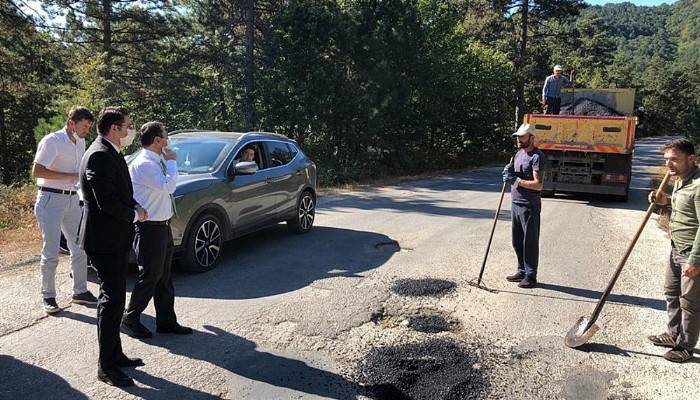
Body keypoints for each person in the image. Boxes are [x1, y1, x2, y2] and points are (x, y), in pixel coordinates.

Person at [78, 107, 147, 387]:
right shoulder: (98, 153)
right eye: (128, 126)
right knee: (111, 300)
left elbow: (121, 192)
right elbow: (104, 200)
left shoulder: (110, 151)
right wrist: (133, 214)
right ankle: (105, 366)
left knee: (116, 298)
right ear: (114, 128)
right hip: (104, 240)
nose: (131, 131)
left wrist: (135, 206)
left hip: (115, 238)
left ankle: (115, 354)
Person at [121, 121, 192, 339]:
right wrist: (172, 163)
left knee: (164, 277)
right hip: (149, 228)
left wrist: (168, 161)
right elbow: (167, 186)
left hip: (162, 226)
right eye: (165, 136)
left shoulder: (156, 159)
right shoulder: (144, 163)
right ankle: (130, 318)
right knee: (150, 276)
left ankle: (166, 321)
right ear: (157, 140)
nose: (168, 140)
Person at [32, 106, 97, 314]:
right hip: (50, 198)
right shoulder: (52, 141)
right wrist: (69, 176)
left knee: (79, 246)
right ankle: (48, 296)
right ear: (71, 123)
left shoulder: (81, 141)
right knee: (51, 251)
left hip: (73, 200)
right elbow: (37, 171)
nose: (87, 130)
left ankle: (80, 291)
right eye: (84, 126)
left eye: (89, 126)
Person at [648, 138, 700, 363]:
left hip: (691, 252)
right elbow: (684, 210)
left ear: (691, 159)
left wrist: (695, 260)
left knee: (689, 302)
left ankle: (686, 346)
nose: (669, 164)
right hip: (675, 247)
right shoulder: (680, 180)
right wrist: (664, 201)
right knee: (671, 293)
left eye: (674, 160)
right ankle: (672, 334)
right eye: (666, 159)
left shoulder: (698, 185)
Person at [502, 123, 545, 288]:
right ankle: (521, 270)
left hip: (530, 205)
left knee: (530, 242)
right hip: (516, 203)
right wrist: (507, 172)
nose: (519, 139)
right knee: (517, 240)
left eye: (523, 137)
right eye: (518, 137)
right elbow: (511, 172)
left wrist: (517, 181)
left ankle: (531, 276)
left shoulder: (537, 157)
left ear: (531, 138)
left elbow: (538, 185)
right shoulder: (518, 154)